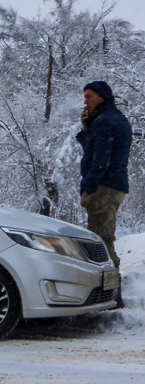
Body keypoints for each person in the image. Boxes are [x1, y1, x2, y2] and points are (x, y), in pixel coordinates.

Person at [76, 81, 132, 306]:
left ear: (101, 97)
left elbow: (100, 160)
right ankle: (109, 294)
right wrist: (86, 130)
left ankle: (112, 296)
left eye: (89, 96)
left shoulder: (104, 122)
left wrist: (88, 186)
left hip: (104, 188)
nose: (85, 101)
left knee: (102, 241)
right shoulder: (114, 118)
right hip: (116, 186)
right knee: (103, 238)